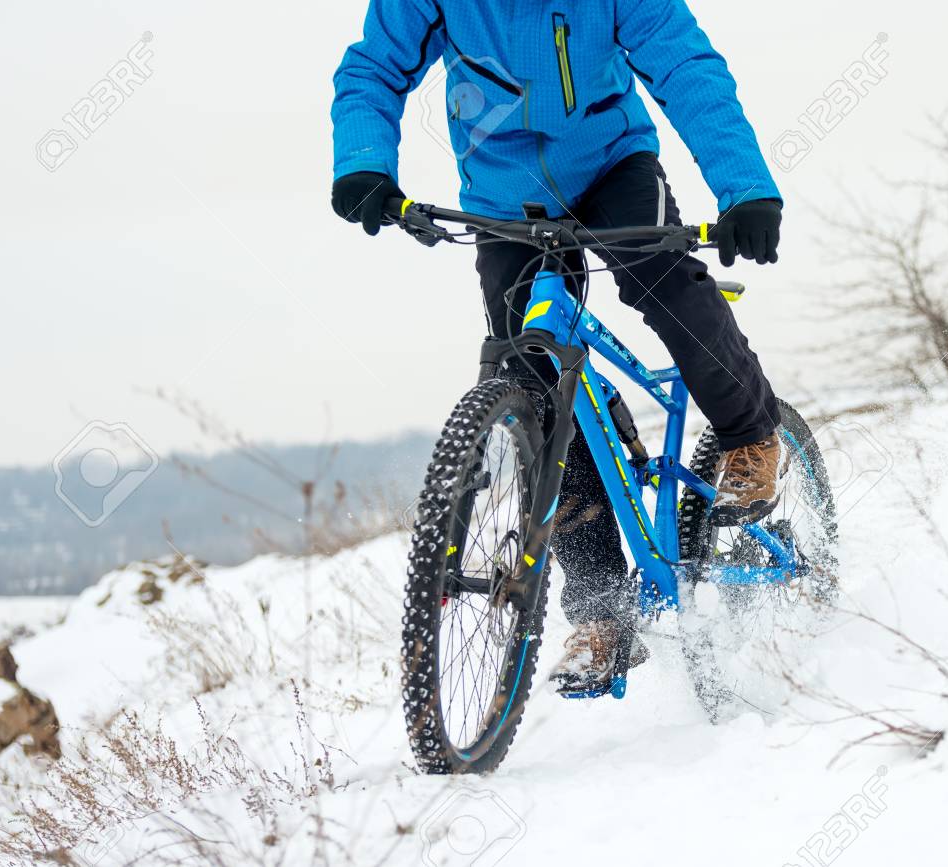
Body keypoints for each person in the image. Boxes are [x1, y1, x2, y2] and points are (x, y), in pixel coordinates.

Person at [331, 0, 786, 693]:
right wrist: (364, 162)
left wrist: (745, 188)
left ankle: (750, 432)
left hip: (612, 170)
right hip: (504, 202)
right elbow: (374, 68)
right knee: (535, 390)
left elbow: (686, 66)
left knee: (662, 282)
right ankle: (603, 612)